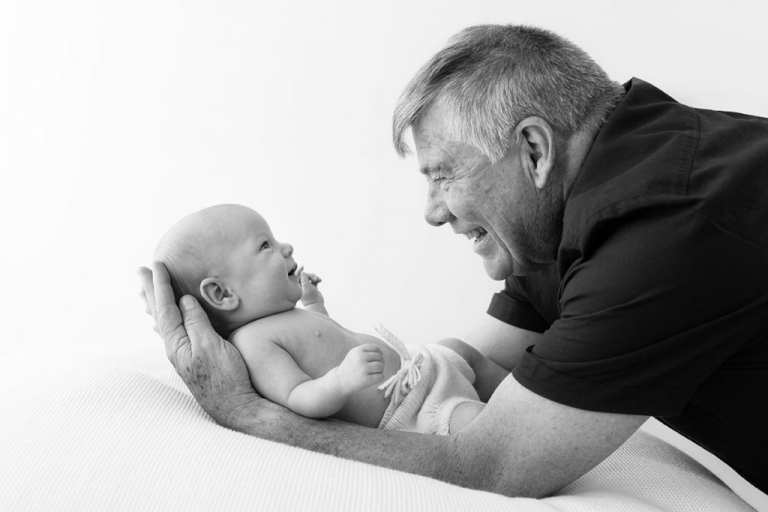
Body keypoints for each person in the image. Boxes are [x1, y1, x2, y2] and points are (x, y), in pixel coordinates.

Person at [139, 24, 768, 497]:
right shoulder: (580, 199)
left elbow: (493, 465)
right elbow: (479, 358)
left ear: (533, 149)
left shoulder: (663, 234)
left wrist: (247, 414)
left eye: (444, 175)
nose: (433, 212)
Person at [153, 204, 508, 435]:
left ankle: (523, 395)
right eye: (265, 246)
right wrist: (341, 380)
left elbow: (323, 340)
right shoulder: (253, 344)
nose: (285, 247)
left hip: (419, 367)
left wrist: (314, 303)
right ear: (222, 294)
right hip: (415, 411)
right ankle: (521, 429)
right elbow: (298, 395)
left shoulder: (285, 317)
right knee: (476, 425)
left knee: (459, 349)